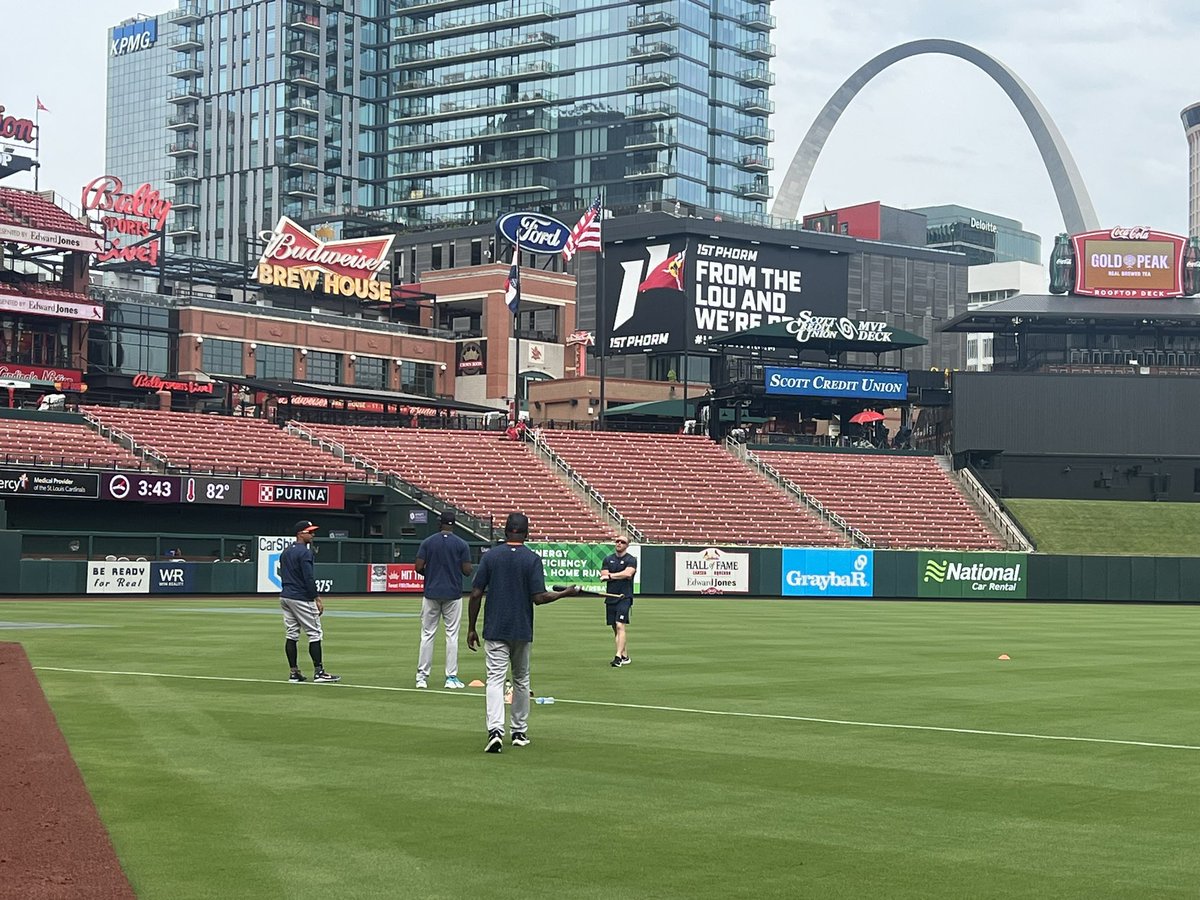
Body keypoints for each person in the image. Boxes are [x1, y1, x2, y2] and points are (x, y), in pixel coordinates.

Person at [467, 512, 578, 753]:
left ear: (506, 531)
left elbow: (475, 594)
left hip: (495, 627)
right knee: (520, 679)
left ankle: (495, 730)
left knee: (495, 680)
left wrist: (471, 627)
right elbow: (539, 597)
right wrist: (564, 593)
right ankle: (518, 731)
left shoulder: (492, 556)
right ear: (527, 533)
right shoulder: (532, 558)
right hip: (521, 628)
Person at [414, 510, 473, 689]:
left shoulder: (428, 541)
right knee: (452, 636)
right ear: (453, 524)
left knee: (427, 635)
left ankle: (421, 678)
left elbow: (418, 567)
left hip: (431, 592)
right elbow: (467, 570)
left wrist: (430, 574)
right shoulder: (461, 544)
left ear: (440, 523)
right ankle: (451, 677)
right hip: (453, 594)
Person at [278, 520, 340, 684]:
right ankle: (319, 672)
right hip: (301, 596)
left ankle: (294, 672)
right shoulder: (305, 552)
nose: (312, 535)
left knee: (291, 634)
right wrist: (316, 598)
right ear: (300, 534)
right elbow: (308, 577)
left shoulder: (286, 552)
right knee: (315, 633)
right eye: (309, 532)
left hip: (285, 595)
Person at [599, 536, 637, 667]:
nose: (619, 543)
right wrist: (610, 576)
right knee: (615, 628)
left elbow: (628, 574)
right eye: (617, 541)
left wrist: (610, 576)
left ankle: (618, 657)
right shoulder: (608, 559)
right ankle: (625, 655)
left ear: (627, 545)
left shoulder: (631, 559)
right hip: (610, 597)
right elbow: (603, 575)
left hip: (624, 597)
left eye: (623, 542)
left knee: (620, 625)